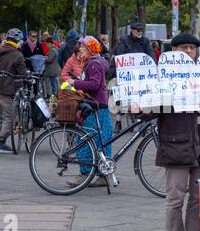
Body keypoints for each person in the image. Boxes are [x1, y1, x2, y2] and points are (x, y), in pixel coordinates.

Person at [133, 33, 200, 231]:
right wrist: (139, 109)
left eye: (193, 48)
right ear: (174, 51)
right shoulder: (163, 78)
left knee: (196, 199)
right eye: (184, 48)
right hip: (176, 146)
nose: (189, 52)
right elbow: (150, 108)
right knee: (175, 200)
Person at [66, 36, 113, 188]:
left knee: (86, 140)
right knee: (102, 141)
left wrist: (75, 83)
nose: (80, 49)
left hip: (95, 106)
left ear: (90, 48)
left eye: (83, 47)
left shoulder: (93, 64)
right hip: (100, 106)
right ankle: (103, 174)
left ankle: (85, 174)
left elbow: (94, 84)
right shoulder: (97, 62)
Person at [109, 22, 156, 133]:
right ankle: (118, 121)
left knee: (142, 97)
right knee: (121, 97)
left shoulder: (145, 41)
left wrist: (153, 65)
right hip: (126, 74)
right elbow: (120, 55)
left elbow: (151, 55)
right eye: (137, 30)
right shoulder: (124, 40)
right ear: (132, 30)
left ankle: (141, 121)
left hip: (140, 74)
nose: (140, 32)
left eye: (141, 31)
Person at [0, 29, 27, 154]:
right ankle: (1, 142)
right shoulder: (17, 54)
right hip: (5, 88)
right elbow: (22, 74)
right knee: (11, 115)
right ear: (18, 41)